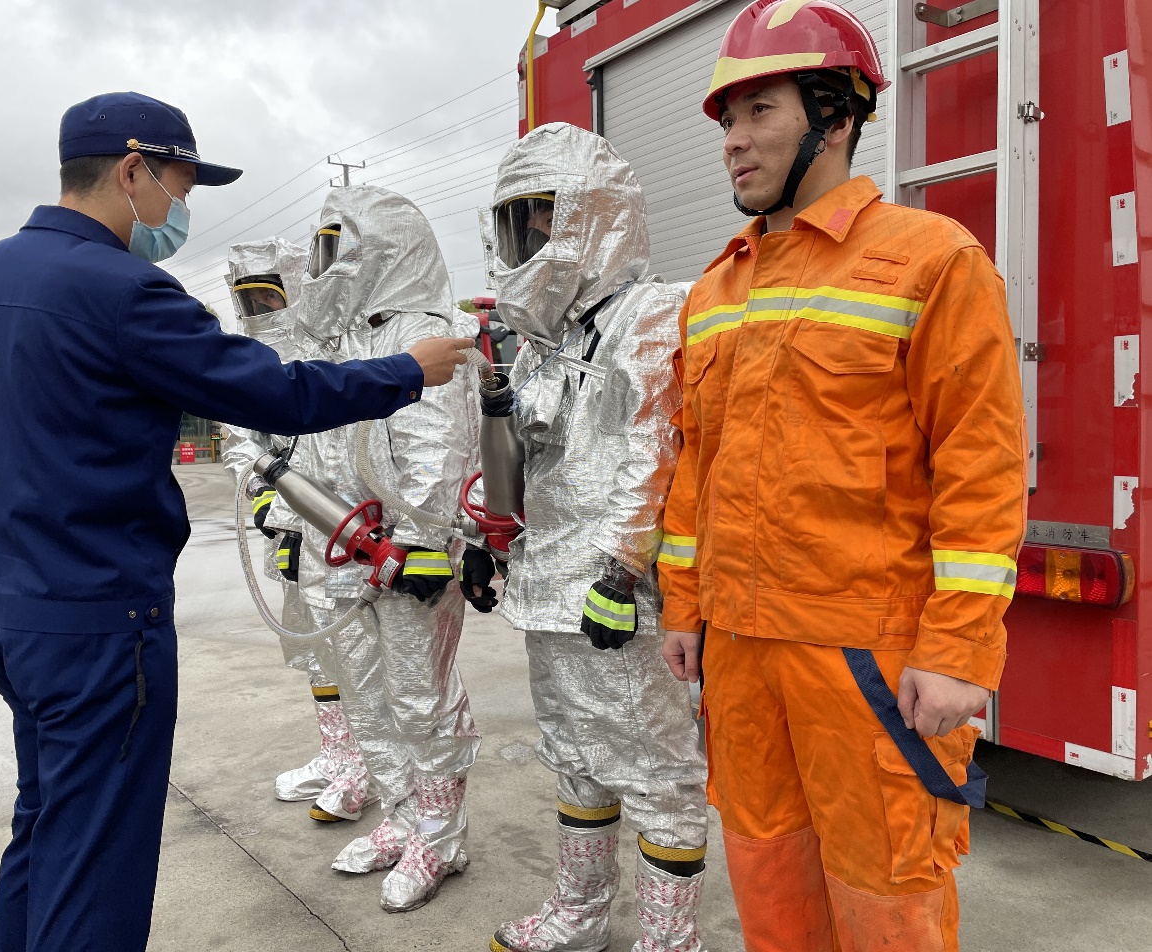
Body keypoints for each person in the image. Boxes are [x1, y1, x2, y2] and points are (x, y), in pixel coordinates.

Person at [0, 91, 472, 952]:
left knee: (46, 820)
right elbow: (273, 393)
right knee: (98, 857)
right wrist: (406, 370)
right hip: (106, 623)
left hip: (15, 617)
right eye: (180, 184)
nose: (181, 208)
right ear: (132, 169)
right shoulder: (125, 289)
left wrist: (36, 472)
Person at [658, 4, 1028, 950]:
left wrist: (956, 651)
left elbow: (980, 470)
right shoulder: (715, 289)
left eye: (758, 112)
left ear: (835, 113)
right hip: (739, 655)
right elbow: (694, 466)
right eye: (725, 121)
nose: (733, 143)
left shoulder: (928, 260)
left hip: (865, 658)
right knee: (768, 879)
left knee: (886, 898)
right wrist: (682, 609)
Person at [483, 122, 708, 952]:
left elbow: (654, 445)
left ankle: (665, 940)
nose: (534, 237)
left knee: (659, 773)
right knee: (575, 754)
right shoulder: (549, 339)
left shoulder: (650, 314)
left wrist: (620, 567)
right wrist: (493, 541)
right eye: (519, 220)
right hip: (547, 581)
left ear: (593, 215)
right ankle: (577, 916)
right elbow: (535, 459)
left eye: (546, 214)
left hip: (618, 597)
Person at [285, 185, 488, 912]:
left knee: (419, 698)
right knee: (369, 696)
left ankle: (441, 833)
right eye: (322, 249)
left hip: (404, 558)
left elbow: (438, 449)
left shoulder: (432, 333)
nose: (326, 266)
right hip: (340, 551)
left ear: (386, 249)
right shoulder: (340, 341)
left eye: (338, 247)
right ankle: (402, 816)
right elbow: (313, 444)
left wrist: (423, 540)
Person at [221, 238, 369, 818]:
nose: (260, 309)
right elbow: (240, 442)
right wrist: (263, 504)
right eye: (248, 298)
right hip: (288, 540)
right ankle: (337, 757)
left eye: (268, 294)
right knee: (312, 654)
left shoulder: (330, 354)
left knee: (353, 654)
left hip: (334, 538)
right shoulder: (245, 362)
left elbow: (340, 455)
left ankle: (363, 769)